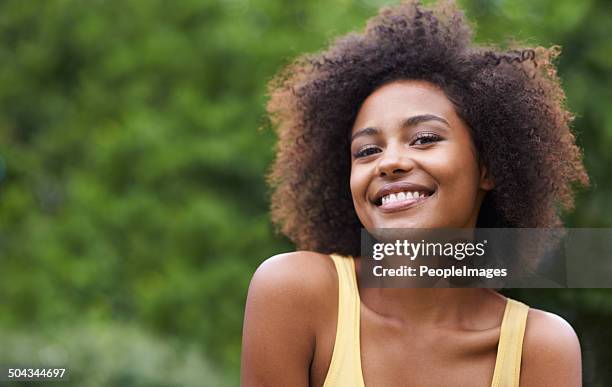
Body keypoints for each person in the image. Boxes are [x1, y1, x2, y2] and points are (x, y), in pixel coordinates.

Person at [241, 1, 588, 386]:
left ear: (487, 167)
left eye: (424, 139)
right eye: (367, 151)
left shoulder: (537, 348)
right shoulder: (296, 292)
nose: (389, 162)